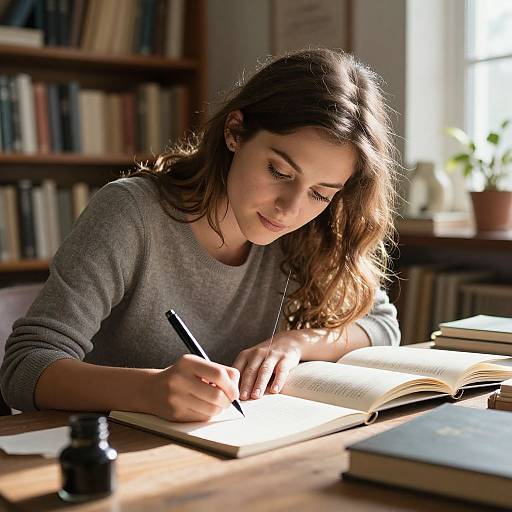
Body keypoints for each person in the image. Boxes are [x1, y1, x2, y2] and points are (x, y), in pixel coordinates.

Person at [0, 48, 400, 422]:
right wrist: (149, 390)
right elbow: (24, 367)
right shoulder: (131, 214)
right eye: (279, 172)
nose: (290, 208)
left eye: (319, 193)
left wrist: (296, 343)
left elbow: (383, 324)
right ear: (235, 132)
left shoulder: (311, 232)